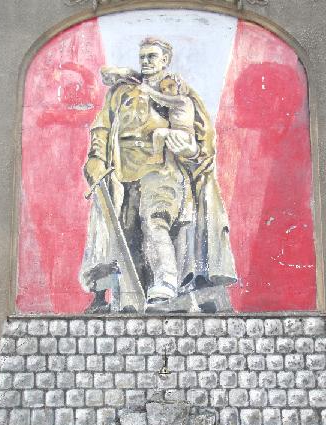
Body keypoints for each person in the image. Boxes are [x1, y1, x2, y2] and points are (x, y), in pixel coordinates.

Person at [79, 37, 236, 312]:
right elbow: (102, 127)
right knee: (124, 233)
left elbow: (194, 140)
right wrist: (96, 158)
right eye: (142, 56)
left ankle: (164, 286)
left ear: (165, 60)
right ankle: (126, 295)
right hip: (123, 175)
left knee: (155, 219)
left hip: (163, 171)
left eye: (152, 56)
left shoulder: (175, 92)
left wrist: (185, 146)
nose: (145, 61)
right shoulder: (121, 92)